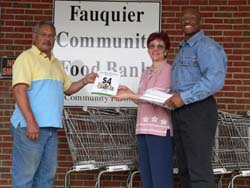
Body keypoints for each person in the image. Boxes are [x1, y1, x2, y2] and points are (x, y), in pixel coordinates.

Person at [10, 20, 97, 188]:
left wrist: (85, 80)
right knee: (24, 179)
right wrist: (30, 122)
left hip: (50, 129)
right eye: (43, 34)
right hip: (30, 128)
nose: (48, 39)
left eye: (51, 36)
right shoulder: (26, 58)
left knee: (46, 179)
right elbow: (19, 90)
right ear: (34, 36)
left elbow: (69, 89)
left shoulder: (56, 63)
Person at [165, 8, 227, 188]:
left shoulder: (206, 46)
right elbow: (184, 82)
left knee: (198, 169)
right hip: (181, 111)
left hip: (198, 111)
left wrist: (184, 97)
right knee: (184, 169)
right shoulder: (183, 49)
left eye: (192, 17)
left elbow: (214, 80)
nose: (187, 21)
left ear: (200, 20)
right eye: (183, 18)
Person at [113, 31, 173, 188]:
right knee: (147, 178)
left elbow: (155, 97)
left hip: (159, 130)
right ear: (147, 50)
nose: (156, 49)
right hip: (142, 128)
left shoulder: (168, 70)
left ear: (166, 50)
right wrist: (130, 93)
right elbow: (143, 101)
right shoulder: (146, 72)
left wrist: (129, 95)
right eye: (152, 46)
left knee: (161, 179)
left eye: (160, 46)